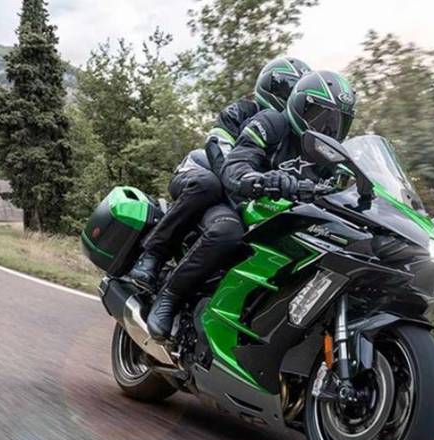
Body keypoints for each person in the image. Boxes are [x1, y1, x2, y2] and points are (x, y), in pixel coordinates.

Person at [147, 70, 357, 341]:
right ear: (300, 106)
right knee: (227, 232)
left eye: (340, 122)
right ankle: (169, 297)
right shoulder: (273, 122)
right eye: (322, 116)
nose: (330, 128)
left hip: (283, 219)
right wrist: (261, 179)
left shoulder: (329, 159)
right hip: (237, 203)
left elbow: (345, 191)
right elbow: (235, 166)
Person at [128, 57, 312, 292]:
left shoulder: (290, 139)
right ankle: (153, 255)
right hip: (199, 176)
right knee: (210, 184)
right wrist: (247, 182)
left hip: (241, 195)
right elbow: (219, 150)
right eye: (289, 91)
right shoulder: (241, 112)